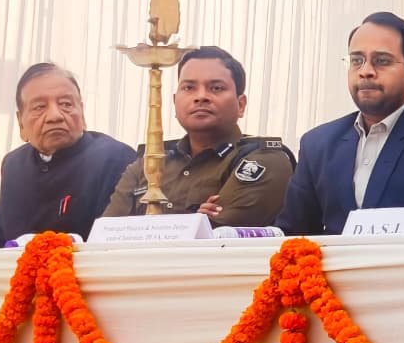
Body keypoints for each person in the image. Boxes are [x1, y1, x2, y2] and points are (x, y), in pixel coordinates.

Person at [275, 12, 404, 235]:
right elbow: (292, 234)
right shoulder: (317, 144)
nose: (365, 71)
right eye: (357, 60)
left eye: (382, 61)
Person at [103, 46, 294, 226]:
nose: (201, 96)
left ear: (241, 105)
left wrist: (142, 227)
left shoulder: (265, 158)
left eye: (216, 88)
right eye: (189, 88)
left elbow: (217, 235)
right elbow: (108, 234)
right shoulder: (148, 164)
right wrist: (195, 218)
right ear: (175, 101)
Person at [0, 63, 137, 246]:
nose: (54, 116)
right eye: (40, 107)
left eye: (66, 104)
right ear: (21, 124)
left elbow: (115, 243)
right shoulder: (14, 165)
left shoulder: (115, 158)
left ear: (82, 113)